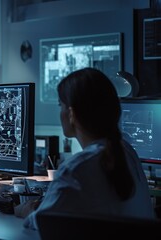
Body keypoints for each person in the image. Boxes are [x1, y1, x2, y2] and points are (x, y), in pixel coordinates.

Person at [19, 67, 156, 230]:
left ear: (71, 114)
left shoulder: (77, 168)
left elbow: (40, 221)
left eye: (60, 105)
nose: (60, 112)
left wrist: (27, 209)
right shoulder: (127, 151)